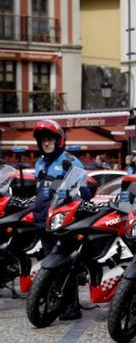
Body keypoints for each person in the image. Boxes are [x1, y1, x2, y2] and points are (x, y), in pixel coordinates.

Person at [33, 120, 86, 320]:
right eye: (43, 140)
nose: (46, 143)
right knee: (50, 265)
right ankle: (55, 301)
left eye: (50, 139)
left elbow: (84, 191)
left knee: (66, 265)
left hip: (63, 223)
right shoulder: (40, 162)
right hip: (43, 223)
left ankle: (72, 306)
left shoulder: (70, 161)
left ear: (59, 140)